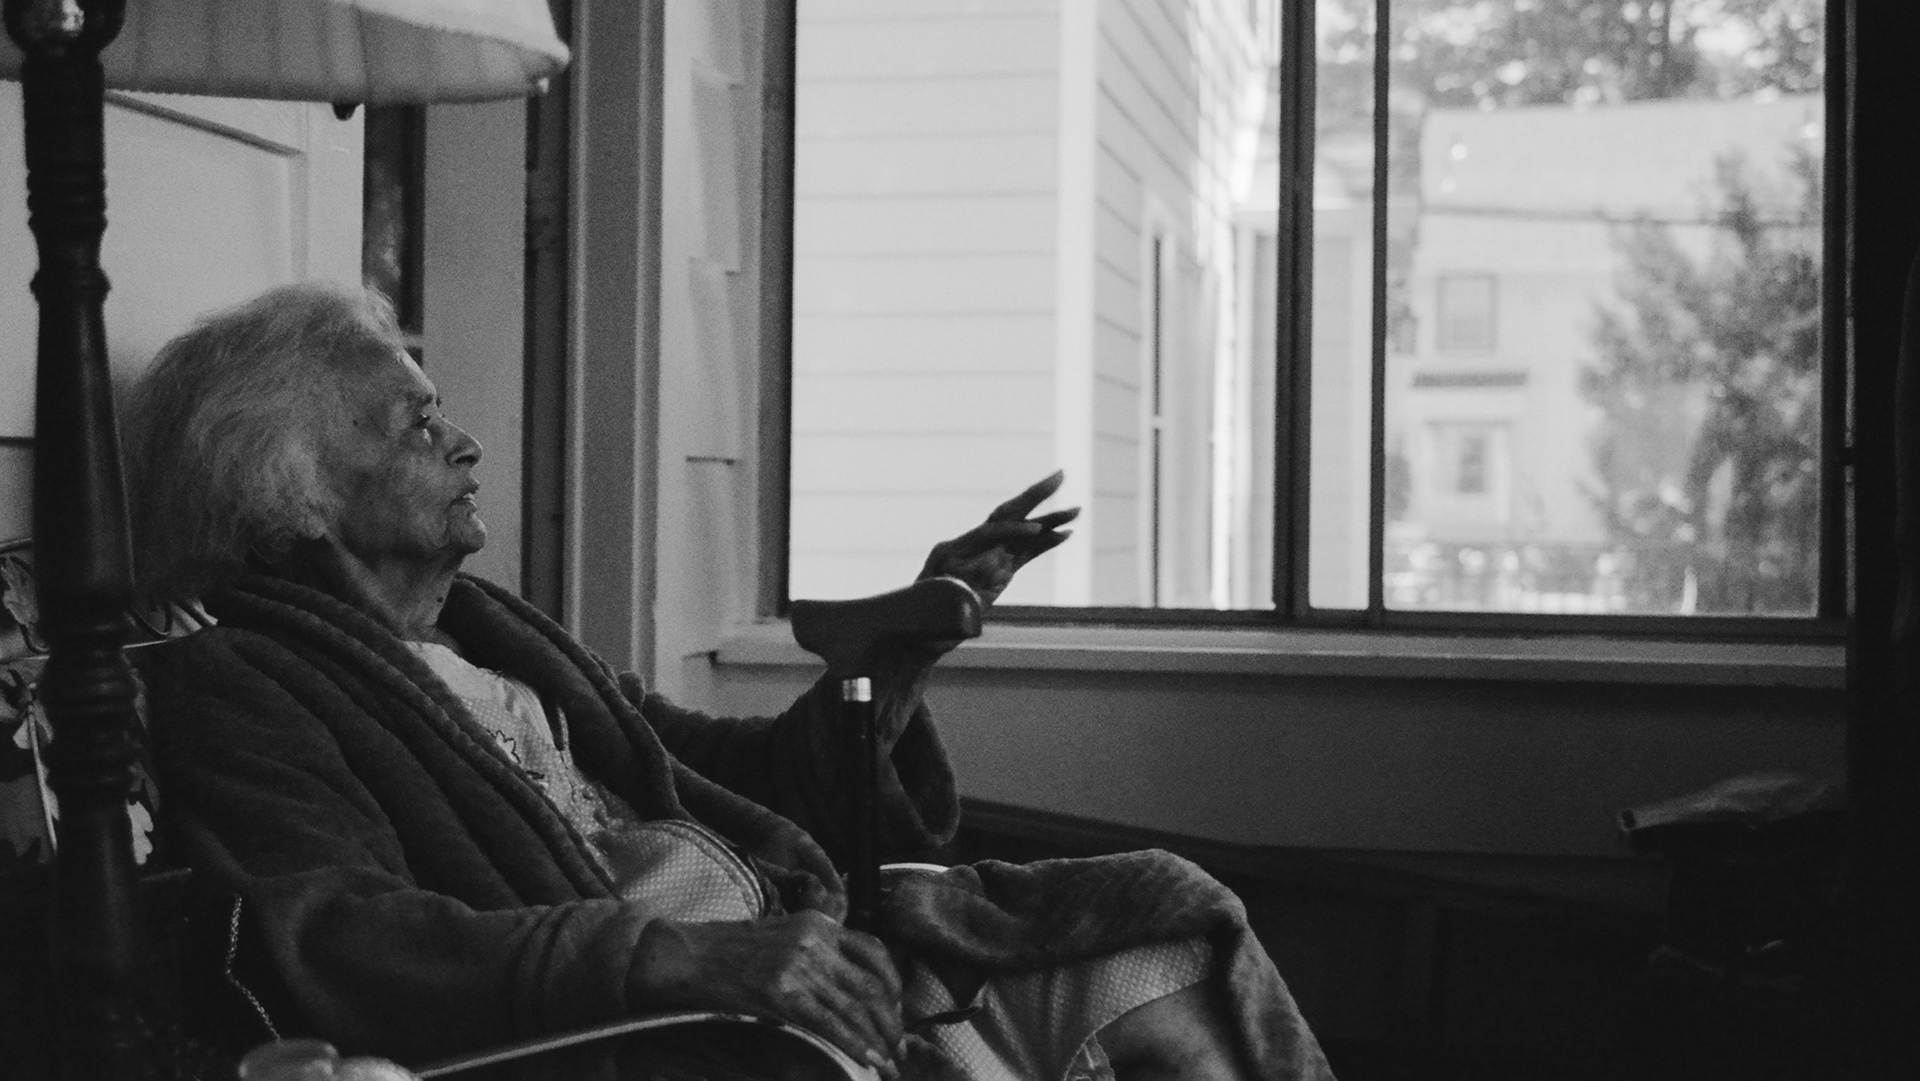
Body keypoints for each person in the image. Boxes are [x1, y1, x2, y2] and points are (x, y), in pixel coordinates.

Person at [128, 284, 1333, 1081]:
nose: (466, 441)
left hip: (798, 952)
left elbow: (729, 777)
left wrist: (893, 661)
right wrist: (680, 959)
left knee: (1160, 925)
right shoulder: (247, 679)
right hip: (675, 1029)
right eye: (413, 424)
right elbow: (336, 937)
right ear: (296, 491)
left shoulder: (493, 634)